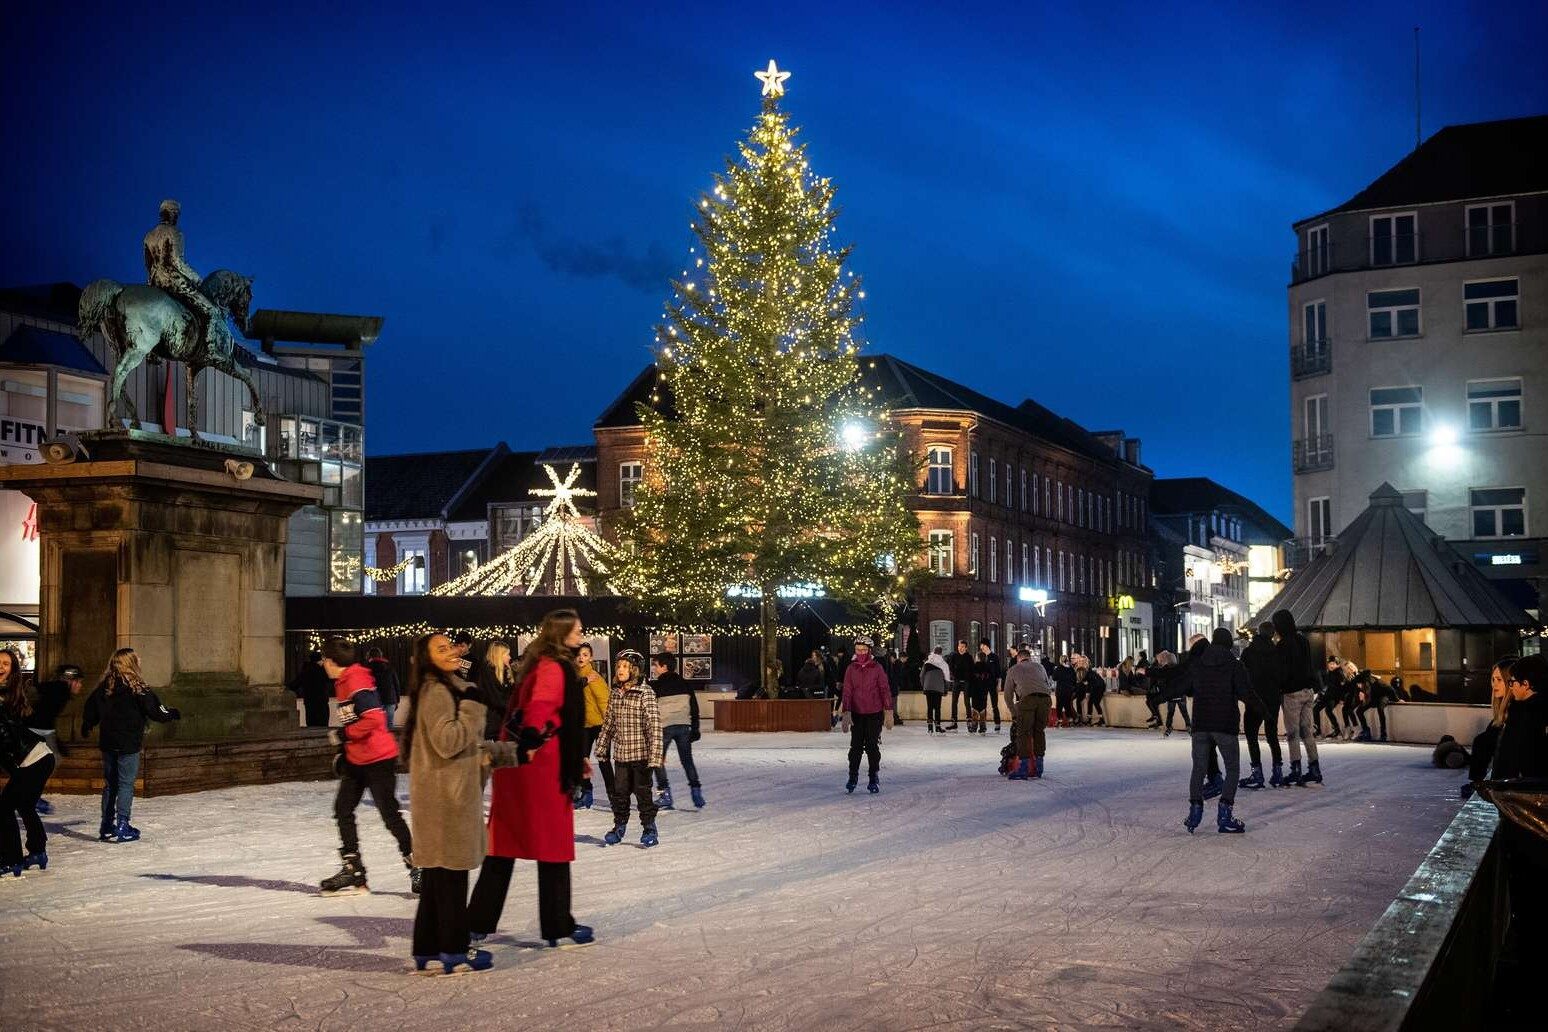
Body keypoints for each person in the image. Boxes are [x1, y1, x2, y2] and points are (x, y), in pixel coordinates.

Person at [469, 611, 596, 955]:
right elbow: (541, 708)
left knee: (504, 847)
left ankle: (477, 922)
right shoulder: (554, 667)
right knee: (552, 847)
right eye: (577, 629)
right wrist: (533, 738)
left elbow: (538, 710)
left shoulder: (538, 663)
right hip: (540, 769)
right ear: (562, 632)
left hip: (527, 768)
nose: (582, 632)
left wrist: (572, 755)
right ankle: (558, 924)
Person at [403, 632, 502, 974]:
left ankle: (427, 947)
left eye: (450, 647)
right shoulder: (437, 691)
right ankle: (454, 950)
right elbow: (448, 742)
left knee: (435, 879)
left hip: (441, 796)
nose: (450, 652)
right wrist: (474, 709)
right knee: (451, 877)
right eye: (441, 649)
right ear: (428, 659)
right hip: (447, 800)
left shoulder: (444, 687)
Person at [317, 637, 418, 897]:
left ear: (330, 661)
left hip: (378, 758)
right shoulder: (345, 681)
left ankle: (418, 866)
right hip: (357, 758)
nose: (322, 665)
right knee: (342, 808)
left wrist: (343, 735)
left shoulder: (355, 681)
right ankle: (353, 868)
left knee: (389, 814)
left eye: (323, 660)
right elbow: (358, 719)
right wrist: (345, 748)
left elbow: (373, 719)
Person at [80, 648, 181, 842]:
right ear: (131, 663)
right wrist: (172, 714)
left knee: (111, 784)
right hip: (128, 743)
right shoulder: (138, 687)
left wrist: (88, 723)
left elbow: (91, 708)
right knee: (125, 784)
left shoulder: (105, 687)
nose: (140, 659)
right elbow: (155, 710)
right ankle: (122, 825)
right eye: (137, 658)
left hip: (108, 743)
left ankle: (107, 825)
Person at [1181, 628, 1258, 834]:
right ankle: (1224, 814)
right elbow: (1245, 693)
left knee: (1198, 768)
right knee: (1232, 769)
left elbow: (1184, 686)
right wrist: (1265, 711)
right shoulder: (1234, 664)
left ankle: (1195, 811)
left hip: (1201, 725)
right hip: (1224, 724)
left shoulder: (1198, 664)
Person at [593, 648, 662, 847]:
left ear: (635, 670)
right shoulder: (615, 693)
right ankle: (619, 826)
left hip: (641, 756)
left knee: (643, 795)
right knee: (620, 794)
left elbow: (654, 725)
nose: (621, 670)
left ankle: (649, 828)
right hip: (621, 756)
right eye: (619, 666)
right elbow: (609, 723)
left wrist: (655, 755)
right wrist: (602, 746)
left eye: (625, 666)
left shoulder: (644, 693)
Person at [1, 649, 56, 877]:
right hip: (35, 758)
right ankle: (37, 852)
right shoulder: (7, 696)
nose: (0, 666)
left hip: (35, 758)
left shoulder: (8, 697)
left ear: (13, 670)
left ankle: (11, 859)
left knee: (3, 807)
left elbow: (4, 737)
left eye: (5, 663)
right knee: (24, 805)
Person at [143, 198, 220, 348]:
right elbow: (178, 262)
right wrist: (198, 279)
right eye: (176, 214)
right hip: (173, 281)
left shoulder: (148, 236)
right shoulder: (175, 232)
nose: (177, 218)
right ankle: (208, 346)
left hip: (155, 282)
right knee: (211, 309)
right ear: (172, 214)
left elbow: (148, 265)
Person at [22, 662, 85, 819]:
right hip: (39, 730)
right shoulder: (60, 690)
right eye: (80, 682)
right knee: (49, 762)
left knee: (45, 762)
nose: (81, 686)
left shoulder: (57, 690)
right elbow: (43, 712)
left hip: (40, 730)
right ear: (71, 680)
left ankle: (30, 796)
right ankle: (31, 797)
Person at [1273, 609, 1322, 787]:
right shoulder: (1303, 640)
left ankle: (1296, 769)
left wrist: (1280, 686)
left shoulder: (1283, 645)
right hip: (1308, 691)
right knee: (1307, 731)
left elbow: (1281, 672)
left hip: (1292, 693)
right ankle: (1314, 768)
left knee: (1293, 733)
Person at [840, 635, 893, 793]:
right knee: (855, 747)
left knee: (872, 746)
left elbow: (884, 689)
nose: (861, 652)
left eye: (864, 650)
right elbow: (847, 691)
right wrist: (846, 711)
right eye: (858, 650)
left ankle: (873, 776)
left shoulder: (877, 668)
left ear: (869, 651)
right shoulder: (851, 669)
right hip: (857, 713)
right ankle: (853, 776)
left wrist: (888, 711)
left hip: (874, 713)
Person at [651, 653, 703, 810]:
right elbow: (694, 707)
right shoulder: (685, 684)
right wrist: (695, 728)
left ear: (664, 667)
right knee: (687, 761)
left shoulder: (656, 685)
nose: (655, 668)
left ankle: (665, 794)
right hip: (683, 726)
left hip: (664, 726)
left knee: (657, 761)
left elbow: (651, 709)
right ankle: (696, 790)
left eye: (656, 665)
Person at [1238, 623, 1286, 789]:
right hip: (1272, 698)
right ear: (1273, 635)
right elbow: (1281, 675)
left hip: (1255, 698)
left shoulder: (1249, 652)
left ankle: (1257, 772)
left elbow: (1242, 675)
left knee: (1252, 735)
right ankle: (1277, 771)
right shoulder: (1277, 652)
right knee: (1272, 734)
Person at [1463, 657, 1515, 798]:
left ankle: (1477, 782)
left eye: (1499, 680)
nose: (1494, 685)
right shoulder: (1501, 714)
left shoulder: (1516, 711)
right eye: (1493, 680)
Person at [1004, 644, 1053, 779]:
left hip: (1028, 699)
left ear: (1018, 658)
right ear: (1029, 658)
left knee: (1023, 733)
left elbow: (1007, 695)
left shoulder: (1013, 669)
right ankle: (1039, 767)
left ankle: (1024, 768)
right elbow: (1048, 685)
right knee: (1039, 731)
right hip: (1045, 699)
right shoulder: (1040, 667)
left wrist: (1014, 713)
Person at [573, 643, 612, 810]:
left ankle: (614, 795)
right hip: (584, 725)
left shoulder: (593, 676)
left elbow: (604, 701)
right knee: (582, 760)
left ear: (591, 658)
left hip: (599, 724)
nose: (581, 658)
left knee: (603, 760)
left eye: (585, 655)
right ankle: (586, 793)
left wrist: (608, 725)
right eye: (579, 655)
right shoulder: (576, 677)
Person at [477, 640, 516, 741]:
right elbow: (496, 699)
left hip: (503, 723)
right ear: (499, 655)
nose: (510, 657)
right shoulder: (488, 672)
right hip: (493, 724)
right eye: (507, 654)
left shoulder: (506, 671)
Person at [289, 650, 332, 728]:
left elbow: (295, 684)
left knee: (311, 724)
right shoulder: (322, 671)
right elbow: (332, 680)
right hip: (321, 701)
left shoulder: (305, 671)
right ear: (318, 661)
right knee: (322, 724)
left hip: (309, 701)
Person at [1355, 670, 1398, 742]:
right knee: (1359, 711)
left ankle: (1383, 734)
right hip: (1373, 698)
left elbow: (1390, 689)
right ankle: (1366, 730)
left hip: (1383, 696)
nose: (1359, 685)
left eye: (1360, 684)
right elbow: (1365, 694)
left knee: (1380, 709)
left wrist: (1397, 699)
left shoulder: (1378, 683)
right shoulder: (1364, 683)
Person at [968, 639, 999, 735]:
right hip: (984, 691)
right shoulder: (987, 668)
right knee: (982, 708)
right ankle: (983, 727)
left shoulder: (973, 667)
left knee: (974, 708)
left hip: (975, 691)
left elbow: (970, 680)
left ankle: (974, 726)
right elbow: (990, 677)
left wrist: (969, 691)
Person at [364, 647, 400, 729]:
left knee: (376, 727)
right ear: (380, 655)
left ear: (369, 656)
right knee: (389, 726)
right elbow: (396, 684)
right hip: (390, 699)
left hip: (374, 701)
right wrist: (397, 700)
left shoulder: (366, 669)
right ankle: (389, 741)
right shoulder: (389, 667)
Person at [945, 640, 973, 731]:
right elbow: (950, 667)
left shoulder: (969, 657)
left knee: (967, 702)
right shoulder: (954, 656)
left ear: (966, 648)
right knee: (954, 701)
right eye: (959, 646)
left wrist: (968, 677)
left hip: (966, 682)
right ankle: (954, 722)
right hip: (956, 681)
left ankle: (969, 721)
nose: (960, 648)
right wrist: (954, 675)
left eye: (962, 647)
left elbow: (972, 669)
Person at [921, 647, 950, 733]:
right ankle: (937, 727)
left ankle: (930, 728)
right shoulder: (943, 664)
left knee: (929, 707)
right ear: (941, 653)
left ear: (933, 652)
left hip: (928, 687)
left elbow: (921, 676)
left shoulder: (927, 662)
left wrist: (924, 685)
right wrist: (946, 689)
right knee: (937, 708)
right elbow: (947, 678)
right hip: (938, 688)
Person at [1313, 659, 1344, 738]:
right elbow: (1327, 686)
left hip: (1334, 696)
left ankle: (1337, 729)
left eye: (1333, 664)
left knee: (1328, 710)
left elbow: (1342, 687)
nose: (1331, 665)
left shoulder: (1339, 673)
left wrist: (1341, 698)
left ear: (1337, 664)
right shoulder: (1329, 673)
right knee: (1315, 709)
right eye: (1330, 663)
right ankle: (1318, 730)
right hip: (1327, 696)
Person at [1076, 655, 1106, 727]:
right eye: (1080, 661)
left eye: (1083, 661)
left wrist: (1087, 692)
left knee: (1095, 702)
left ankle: (1100, 719)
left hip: (1098, 687)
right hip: (1095, 686)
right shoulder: (1082, 670)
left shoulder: (1088, 671)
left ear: (1087, 662)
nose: (1081, 662)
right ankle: (1090, 719)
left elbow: (1089, 683)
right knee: (1090, 702)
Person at [1052, 654, 1078, 728]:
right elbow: (1074, 680)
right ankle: (1070, 720)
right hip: (1069, 690)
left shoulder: (1059, 668)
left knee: (1059, 705)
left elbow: (1054, 678)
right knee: (1068, 705)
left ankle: (1059, 720)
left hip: (1060, 689)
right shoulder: (1071, 669)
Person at [885, 648, 905, 726]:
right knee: (892, 704)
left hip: (892, 688)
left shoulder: (893, 665)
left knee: (892, 704)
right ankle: (893, 717)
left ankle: (893, 717)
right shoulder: (893, 665)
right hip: (893, 688)